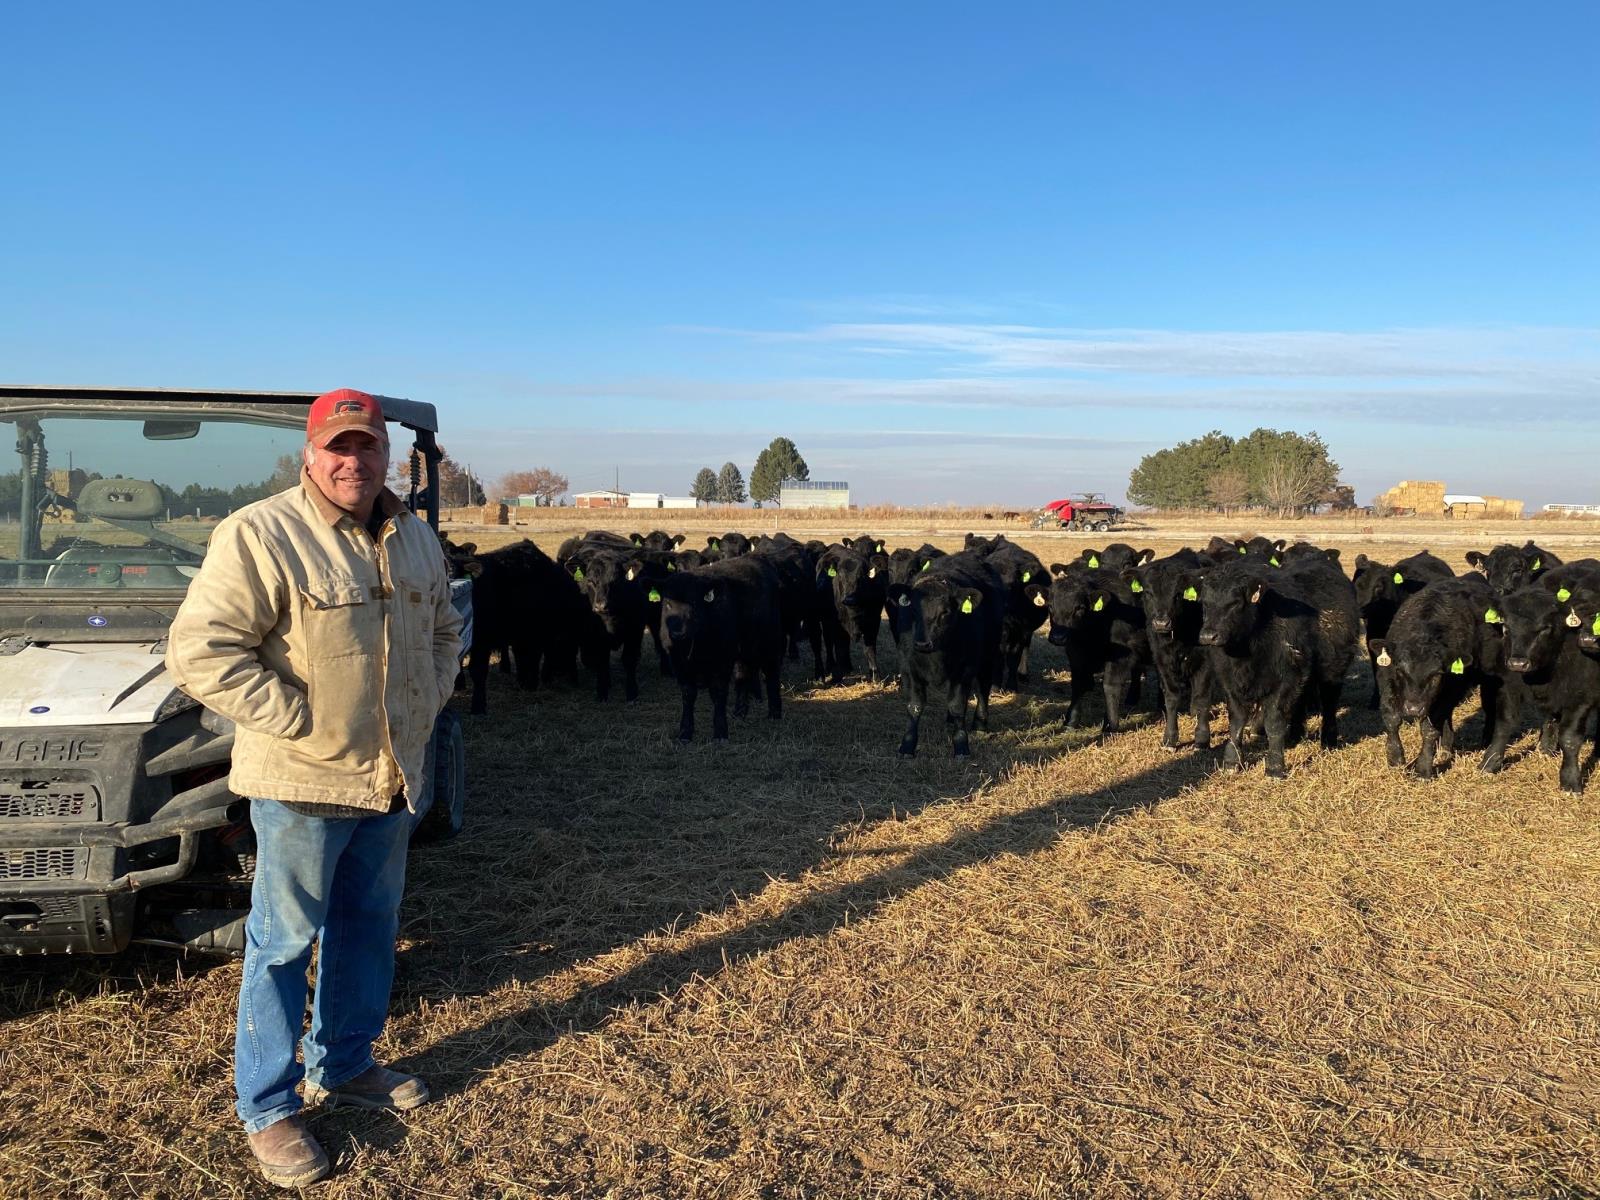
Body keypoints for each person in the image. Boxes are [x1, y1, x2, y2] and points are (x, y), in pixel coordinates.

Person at [165, 388, 464, 1189]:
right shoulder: (262, 534)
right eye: (337, 446)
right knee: (284, 941)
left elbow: (443, 631)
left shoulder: (415, 539)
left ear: (385, 456)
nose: (352, 461)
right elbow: (201, 652)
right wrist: (297, 717)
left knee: (370, 924)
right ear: (309, 454)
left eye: (365, 446)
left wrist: (424, 702)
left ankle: (348, 1062)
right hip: (303, 780)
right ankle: (268, 1106)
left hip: (392, 777)